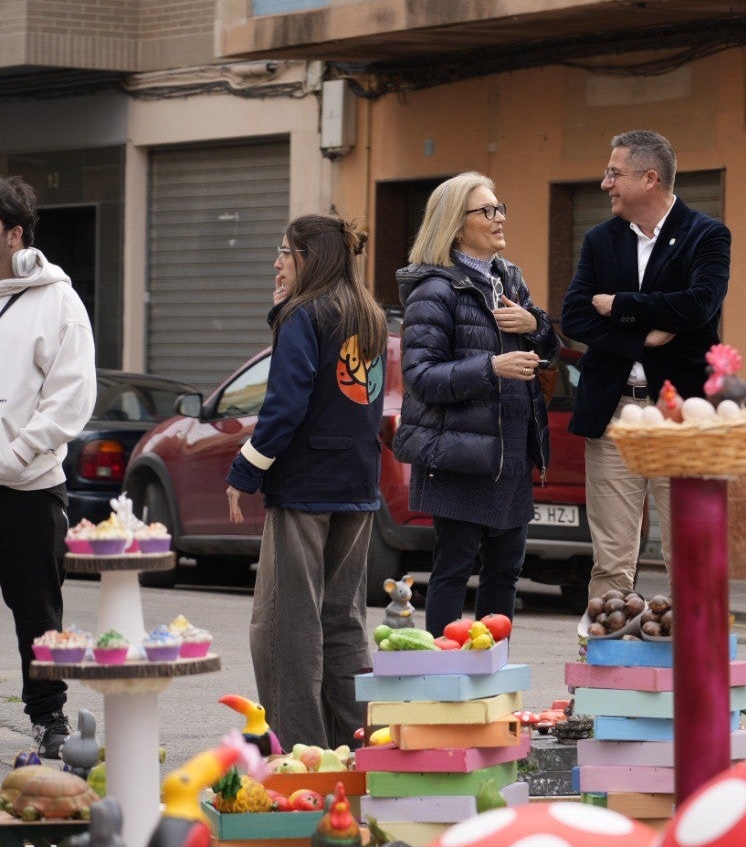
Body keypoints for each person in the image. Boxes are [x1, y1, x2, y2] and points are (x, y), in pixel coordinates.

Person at [225, 214, 387, 750]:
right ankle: (362, 749)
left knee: (285, 630)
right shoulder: (370, 314)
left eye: (284, 251)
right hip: (358, 487)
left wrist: (245, 472)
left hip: (305, 489)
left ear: (309, 259)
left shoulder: (303, 314)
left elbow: (284, 406)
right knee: (342, 623)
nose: (276, 262)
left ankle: (298, 757)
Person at [561, 130, 731, 599]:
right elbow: (574, 315)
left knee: (688, 553)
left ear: (649, 178)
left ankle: (688, 663)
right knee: (611, 558)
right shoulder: (599, 240)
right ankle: (605, 657)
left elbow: (698, 305)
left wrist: (617, 305)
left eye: (614, 173)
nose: (604, 183)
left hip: (681, 415)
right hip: (614, 414)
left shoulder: (707, 235)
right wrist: (644, 335)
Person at [394, 172, 558, 637]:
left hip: (510, 457)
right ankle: (444, 681)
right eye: (486, 211)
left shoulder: (510, 279)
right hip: (459, 459)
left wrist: (537, 324)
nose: (499, 217)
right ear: (455, 224)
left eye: (499, 206)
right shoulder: (435, 291)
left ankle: (490, 676)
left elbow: (547, 357)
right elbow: (420, 379)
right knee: (452, 571)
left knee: (505, 575)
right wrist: (491, 367)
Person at [0, 176, 95, 759]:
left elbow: (71, 398)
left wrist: (14, 455)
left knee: (38, 612)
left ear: (15, 233)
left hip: (29, 489)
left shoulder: (58, 301)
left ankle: (48, 719)